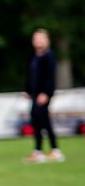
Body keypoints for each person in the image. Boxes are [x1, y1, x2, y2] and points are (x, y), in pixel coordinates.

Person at [24, 29, 64, 163]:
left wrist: (46, 93)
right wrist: (29, 91)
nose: (37, 41)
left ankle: (55, 150)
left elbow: (50, 78)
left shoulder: (48, 56)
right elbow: (32, 77)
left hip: (43, 95)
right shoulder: (35, 56)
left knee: (44, 122)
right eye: (35, 39)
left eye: (40, 38)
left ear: (47, 40)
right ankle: (38, 151)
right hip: (35, 95)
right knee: (36, 122)